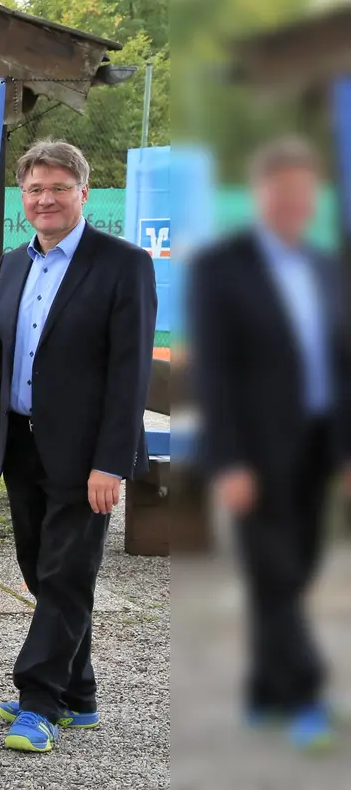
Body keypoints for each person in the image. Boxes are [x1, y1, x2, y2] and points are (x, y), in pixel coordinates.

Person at [0, 139, 156, 754]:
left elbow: (130, 374)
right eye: (34, 190)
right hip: (21, 446)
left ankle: (39, 700)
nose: (45, 200)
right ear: (23, 198)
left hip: (86, 458)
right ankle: (80, 694)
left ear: (83, 191)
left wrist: (112, 461)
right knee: (41, 571)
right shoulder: (14, 265)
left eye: (57, 188)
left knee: (66, 573)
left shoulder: (123, 264)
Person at [189, 136, 348, 752]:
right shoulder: (221, 268)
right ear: (260, 197)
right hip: (254, 451)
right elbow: (215, 373)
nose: (292, 204)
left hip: (317, 442)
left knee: (296, 569)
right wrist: (227, 459)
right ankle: (305, 695)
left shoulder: (327, 268)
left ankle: (263, 687)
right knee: (277, 571)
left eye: (302, 195)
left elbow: (341, 364)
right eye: (280, 194)